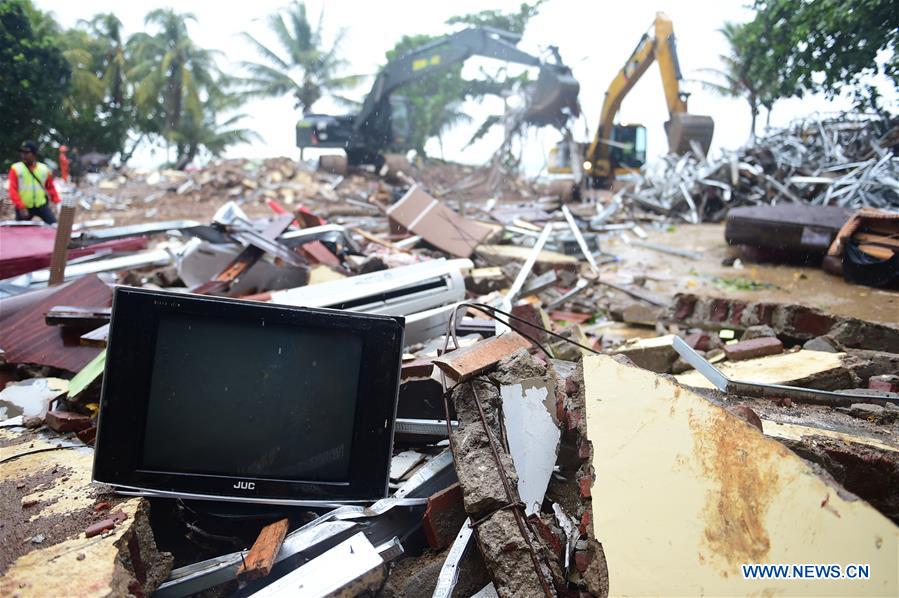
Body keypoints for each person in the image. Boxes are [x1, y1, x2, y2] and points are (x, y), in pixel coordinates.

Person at [8, 140, 60, 224]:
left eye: (27, 153)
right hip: (24, 207)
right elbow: (12, 190)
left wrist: (57, 201)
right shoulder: (16, 169)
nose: (23, 155)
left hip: (41, 206)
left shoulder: (44, 169)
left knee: (54, 226)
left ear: (34, 154)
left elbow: (50, 187)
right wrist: (21, 207)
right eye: (22, 153)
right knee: (19, 232)